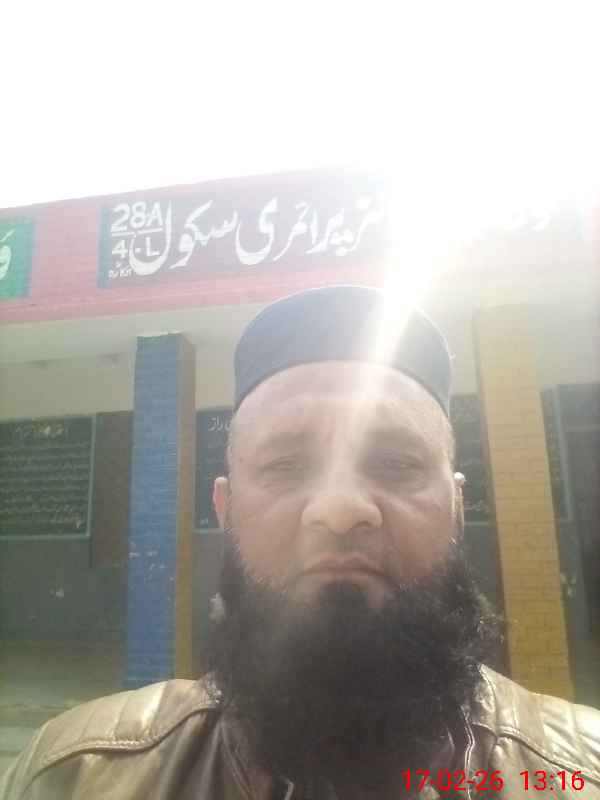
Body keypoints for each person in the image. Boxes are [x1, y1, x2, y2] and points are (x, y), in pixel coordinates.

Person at [2, 285, 600, 800]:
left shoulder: (577, 773)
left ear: (457, 507)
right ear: (227, 509)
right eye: (286, 467)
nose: (340, 510)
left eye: (396, 463)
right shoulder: (74, 776)